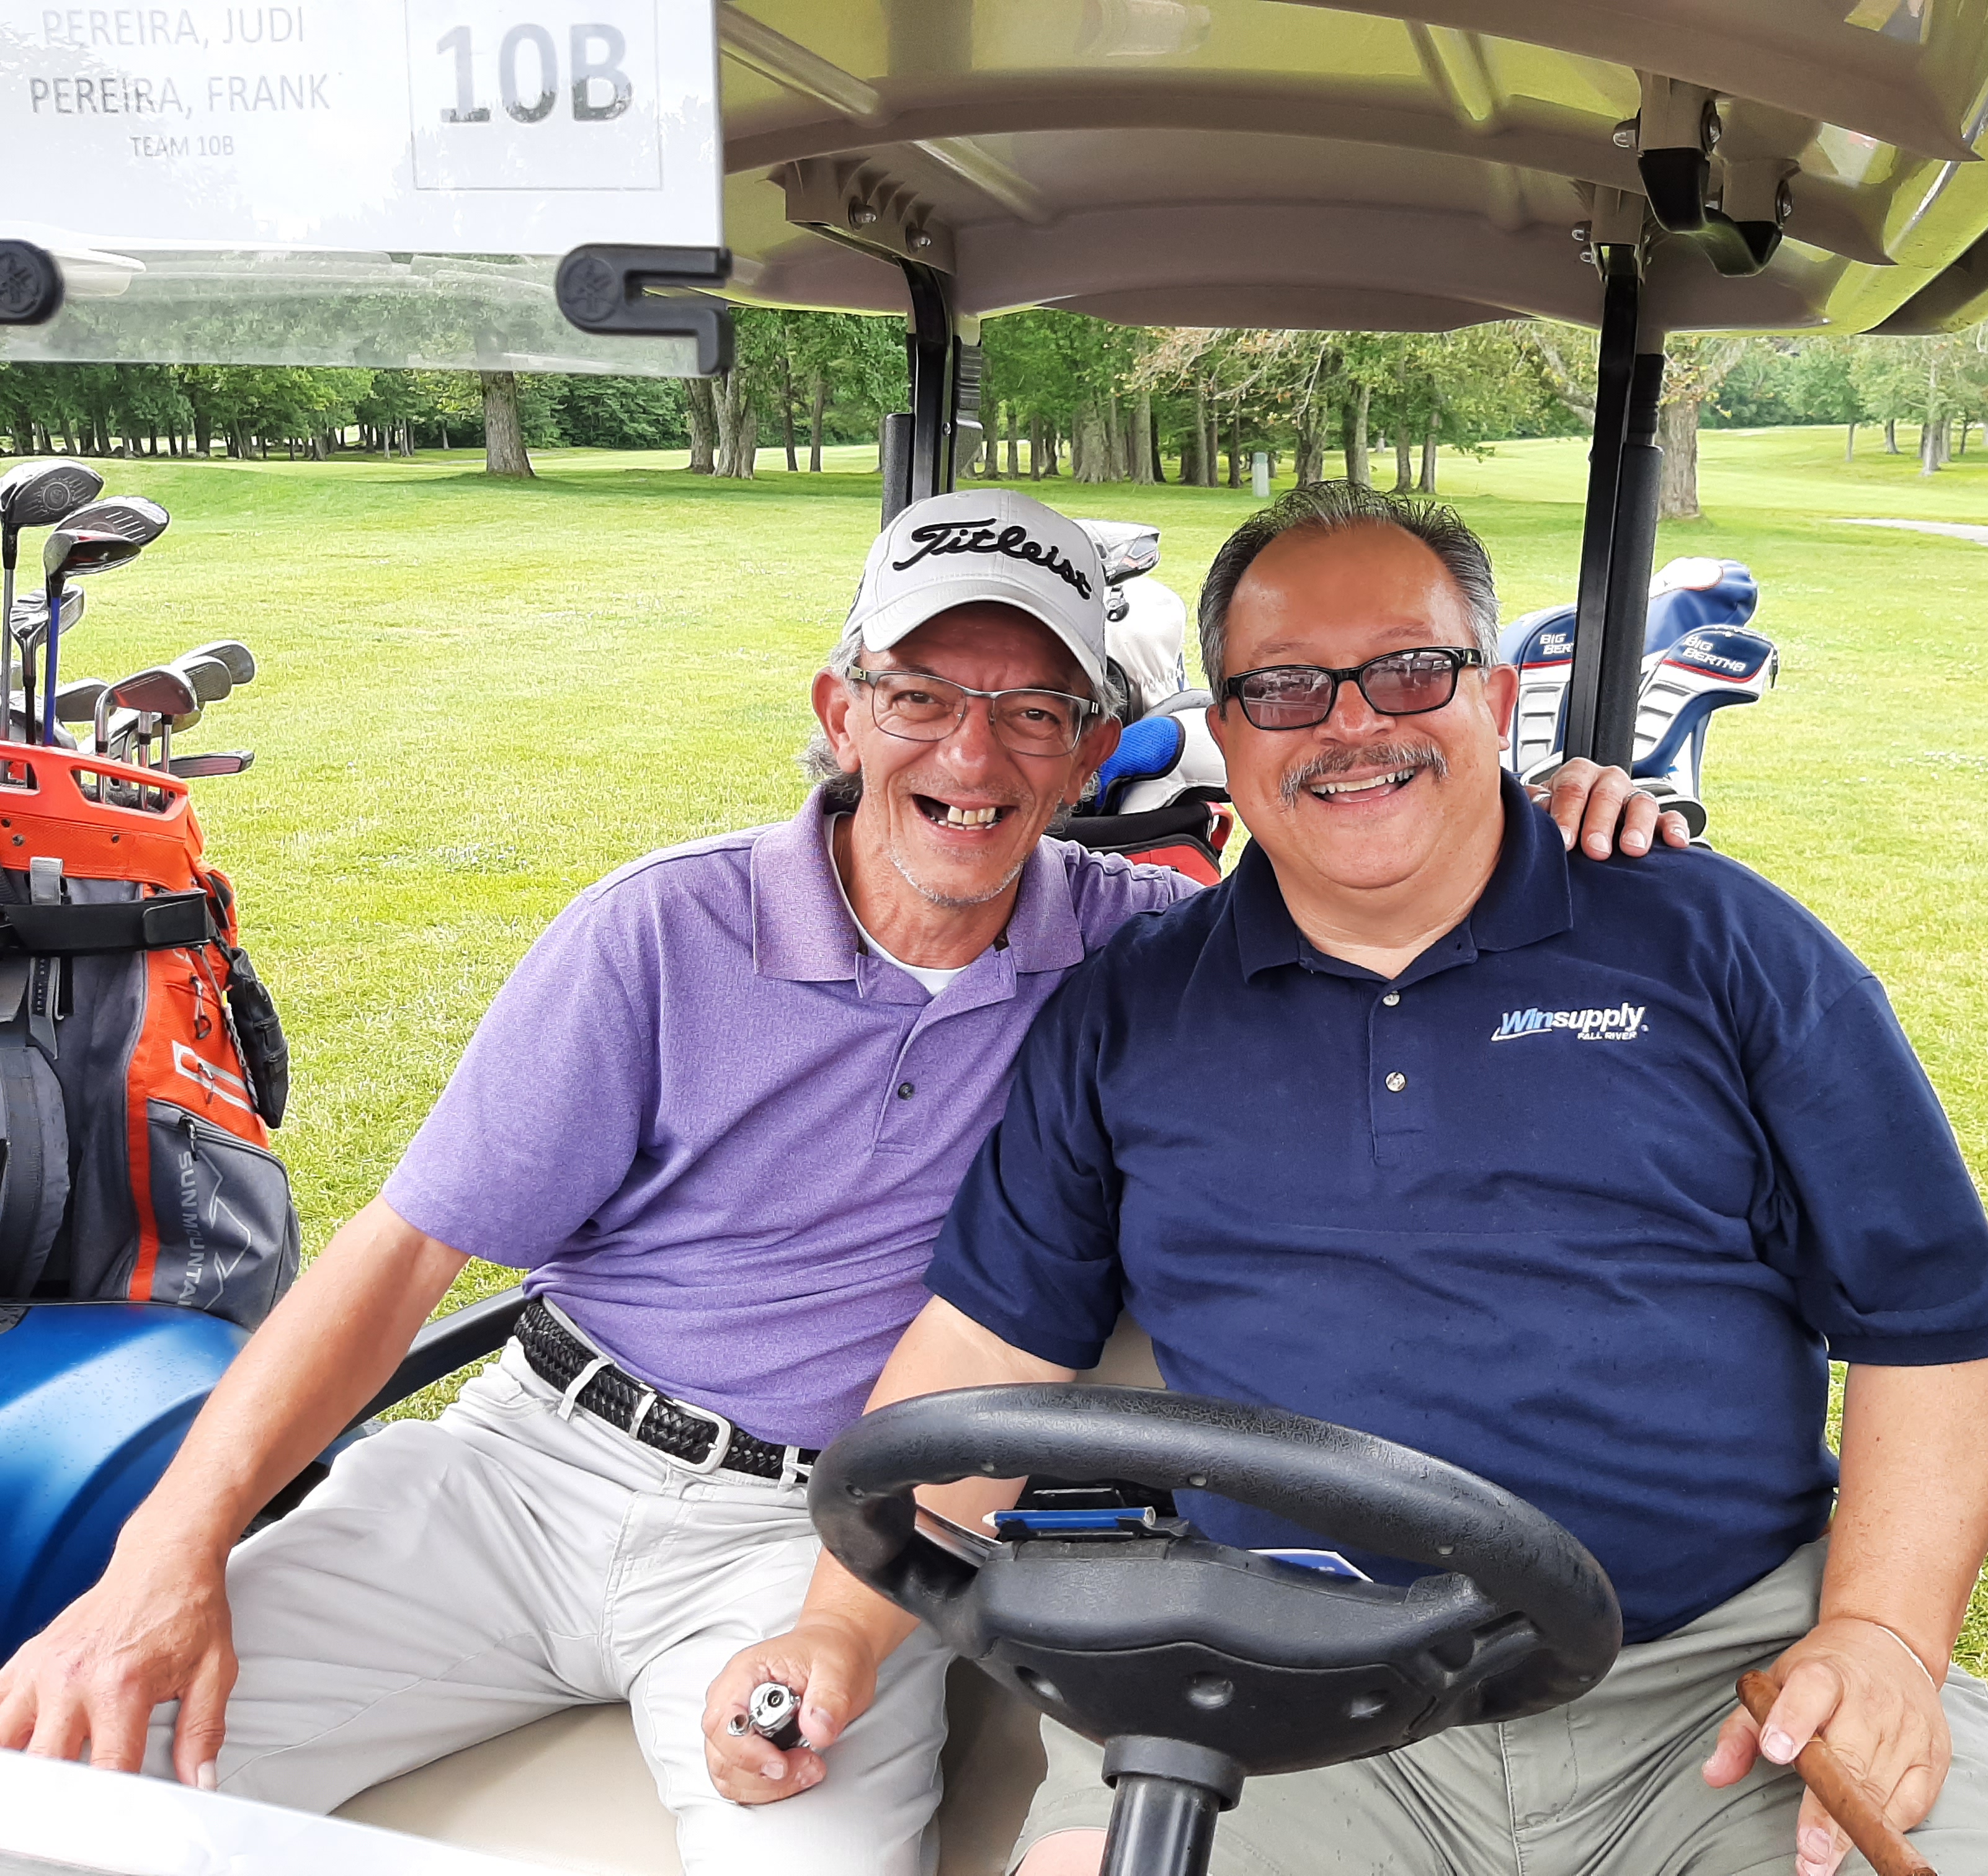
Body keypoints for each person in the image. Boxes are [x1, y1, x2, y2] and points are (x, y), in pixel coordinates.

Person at [0, 488, 1667, 1874]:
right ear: (841, 712)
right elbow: (399, 1257)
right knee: (66, 1773)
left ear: (1090, 750)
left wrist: (1543, 809)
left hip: (833, 1536)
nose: (976, 753)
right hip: (524, 1475)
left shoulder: (1144, 954)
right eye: (923, 695)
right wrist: (167, 1556)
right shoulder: (661, 934)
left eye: (1035, 711)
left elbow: (1384, 885)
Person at [783, 482, 1988, 1876]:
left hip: (1715, 1675)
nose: (1352, 724)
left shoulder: (1721, 944)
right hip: (1272, 1683)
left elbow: (1938, 1329)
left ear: (1495, 701)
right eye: (1284, 687)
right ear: (1224, 733)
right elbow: (985, 1345)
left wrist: (1880, 1636)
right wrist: (836, 1626)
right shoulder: (1133, 1003)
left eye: (1409, 670)